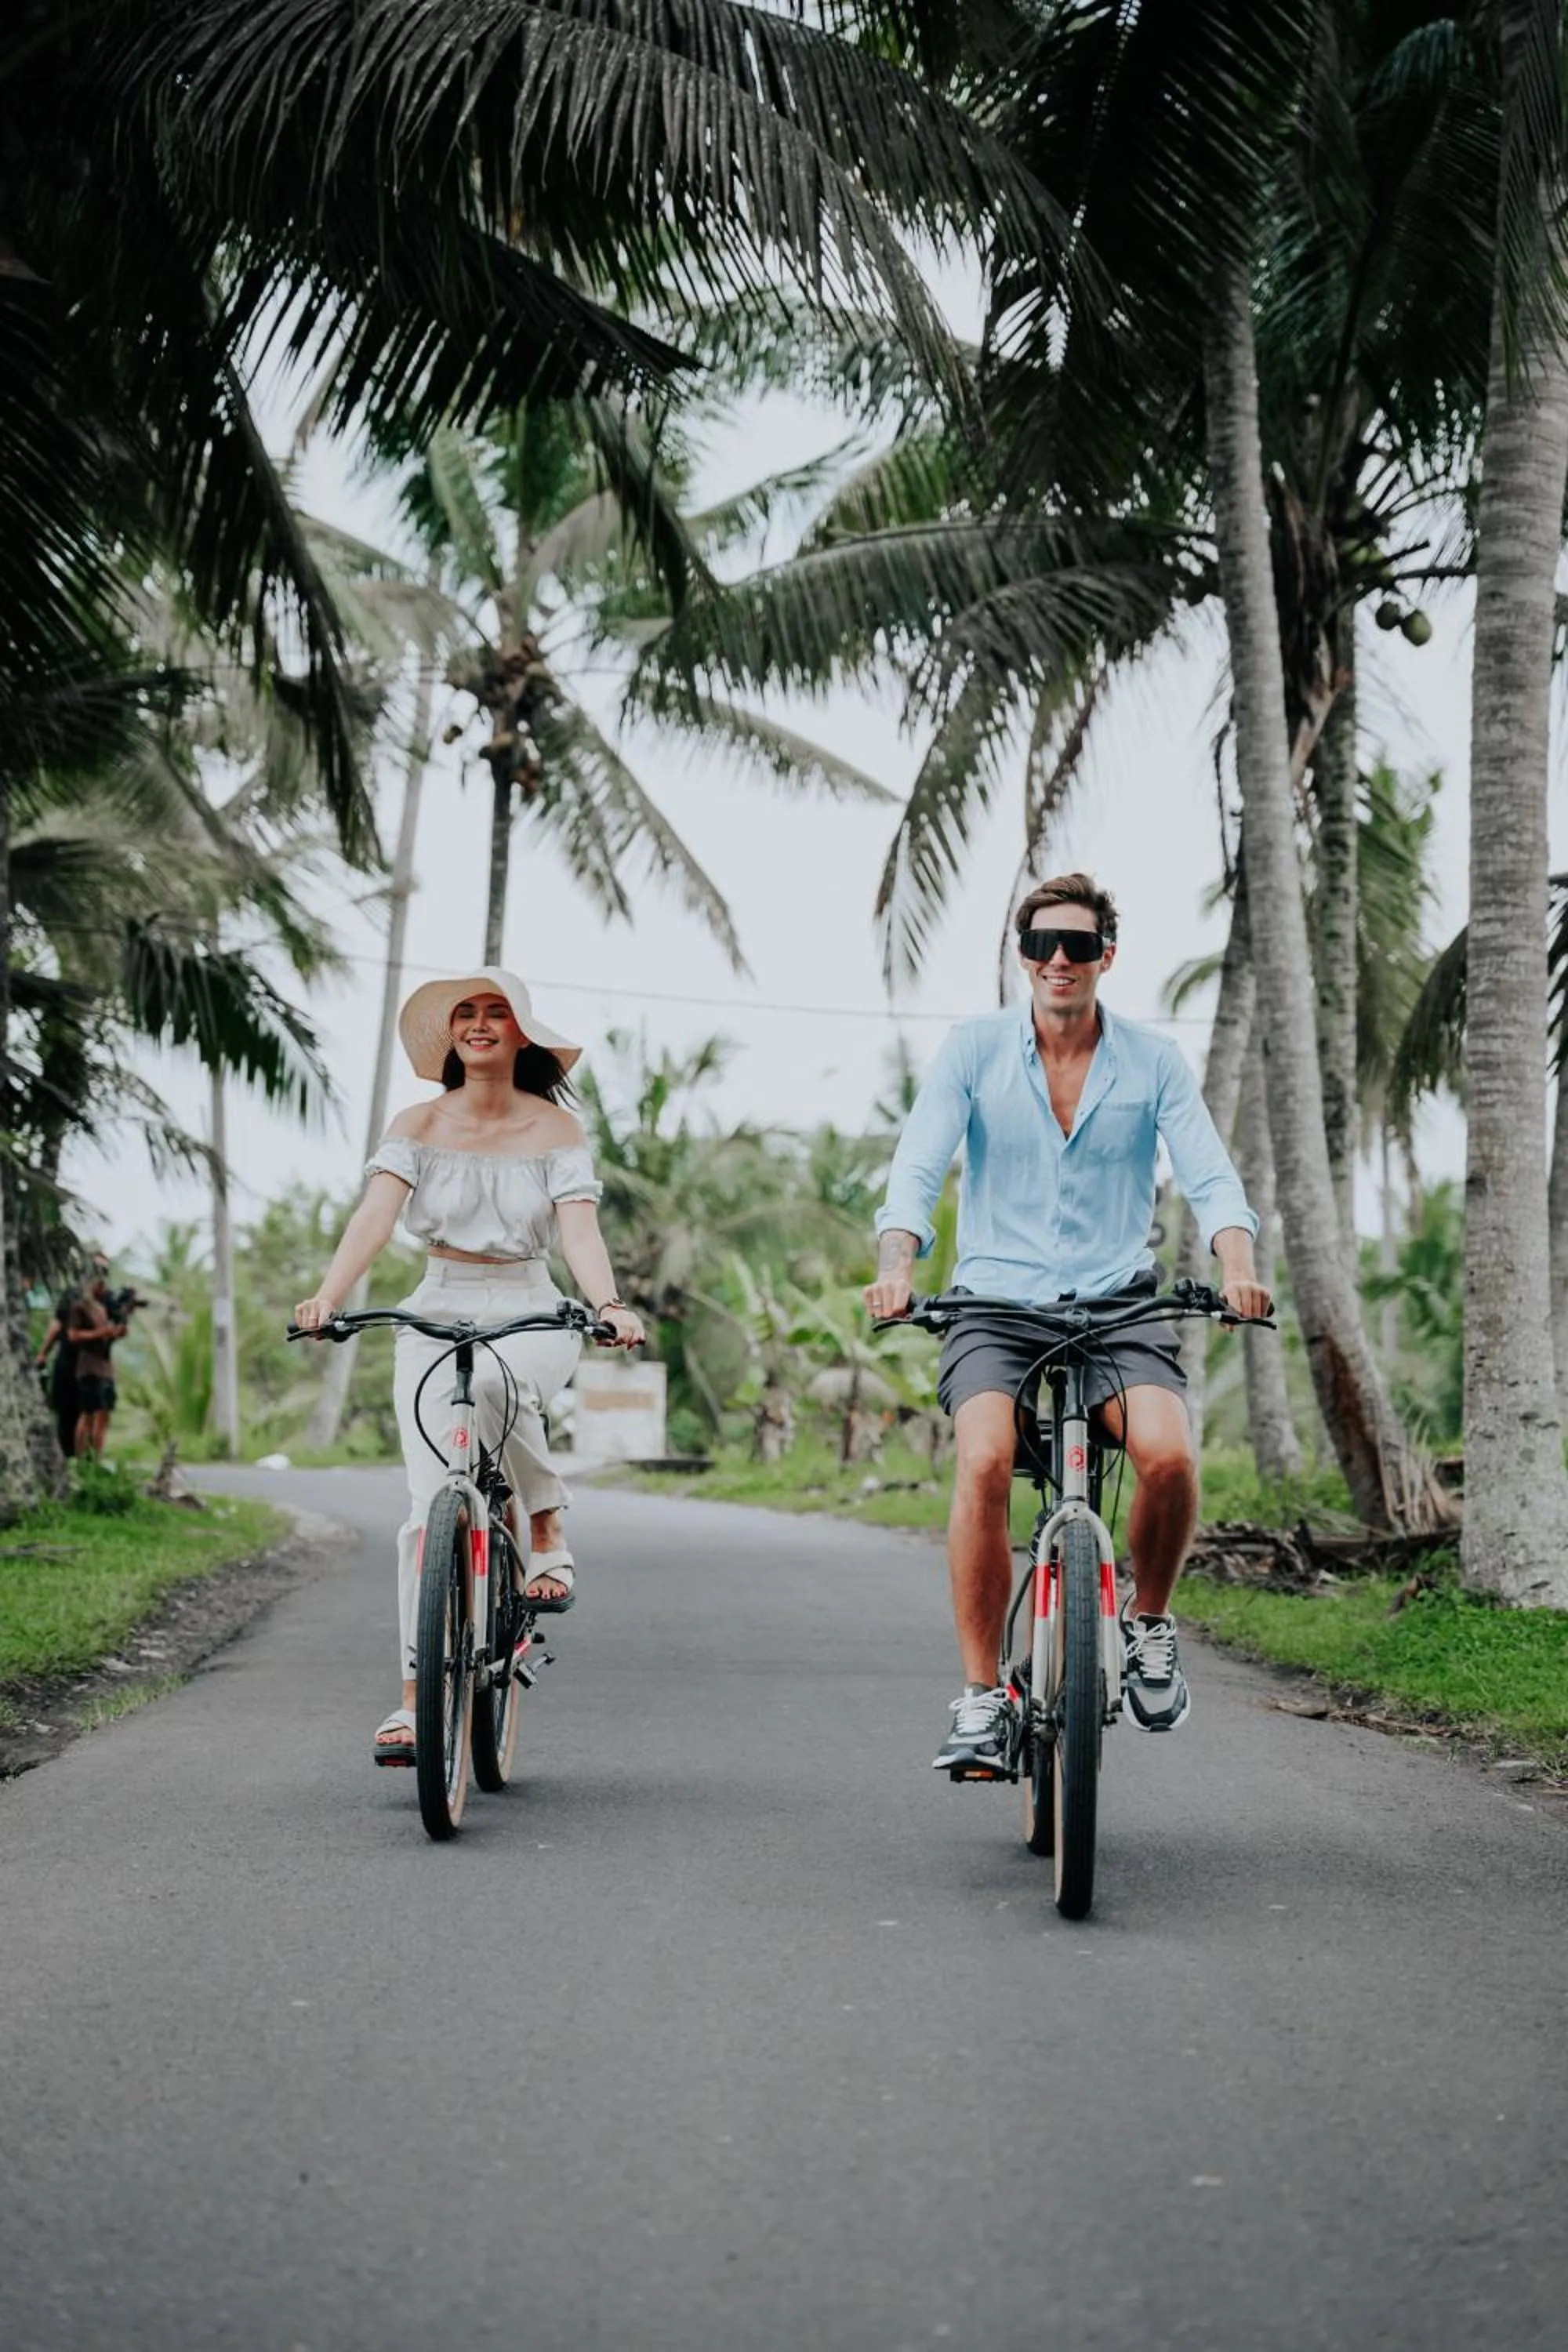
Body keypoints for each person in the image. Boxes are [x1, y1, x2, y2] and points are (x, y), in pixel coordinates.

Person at [863, 873, 1271, 1771]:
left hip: (1116, 1303)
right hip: (993, 1306)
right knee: (981, 1461)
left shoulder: (1151, 1060)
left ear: (1104, 958)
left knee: (1168, 1457)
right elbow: (917, 1167)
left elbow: (1208, 1175)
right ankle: (979, 1697)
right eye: (1041, 944)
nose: (1058, 959)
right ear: (1021, 956)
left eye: (1077, 945)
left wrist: (1236, 1265)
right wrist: (896, 1267)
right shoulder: (972, 1050)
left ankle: (1149, 1624)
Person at [294, 969, 644, 1765]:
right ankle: (416, 1702)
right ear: (451, 1035)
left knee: (494, 1383)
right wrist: (326, 1297)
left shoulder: (554, 1129)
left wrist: (610, 1304)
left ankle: (545, 1522)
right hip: (435, 1302)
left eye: (496, 1013)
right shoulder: (417, 1123)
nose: (479, 1024)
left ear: (521, 1034)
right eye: (466, 1014)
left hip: (529, 1302)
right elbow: (374, 1217)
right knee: (425, 1518)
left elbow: (579, 1233)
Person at [66, 1253, 129, 1461]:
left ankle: (96, 1461)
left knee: (104, 1416)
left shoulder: (103, 1308)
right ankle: (81, 1460)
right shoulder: (80, 1306)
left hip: (105, 1367)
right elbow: (73, 1335)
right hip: (88, 1366)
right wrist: (100, 1333)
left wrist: (117, 1332)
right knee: (88, 1415)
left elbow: (107, 1338)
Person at [34, 1271, 88, 1459]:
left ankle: (67, 1456)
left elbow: (56, 1328)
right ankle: (76, 1458)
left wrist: (42, 1354)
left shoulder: (73, 1295)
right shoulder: (98, 1301)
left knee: (67, 1415)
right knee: (79, 1415)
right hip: (82, 1366)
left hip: (71, 1364)